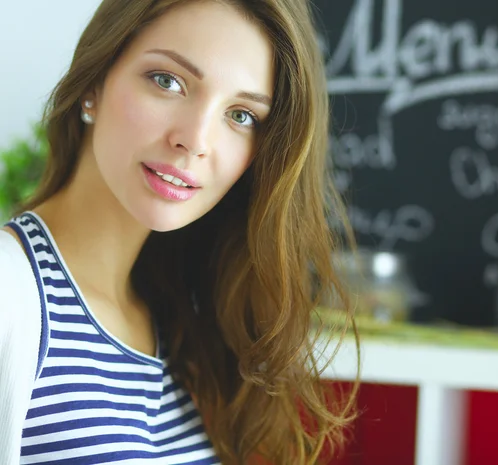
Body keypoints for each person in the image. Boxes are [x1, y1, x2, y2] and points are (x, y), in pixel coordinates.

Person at [0, 0, 358, 464]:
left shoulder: (180, 320)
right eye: (168, 81)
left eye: (241, 115)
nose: (196, 140)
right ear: (94, 81)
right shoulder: (12, 293)